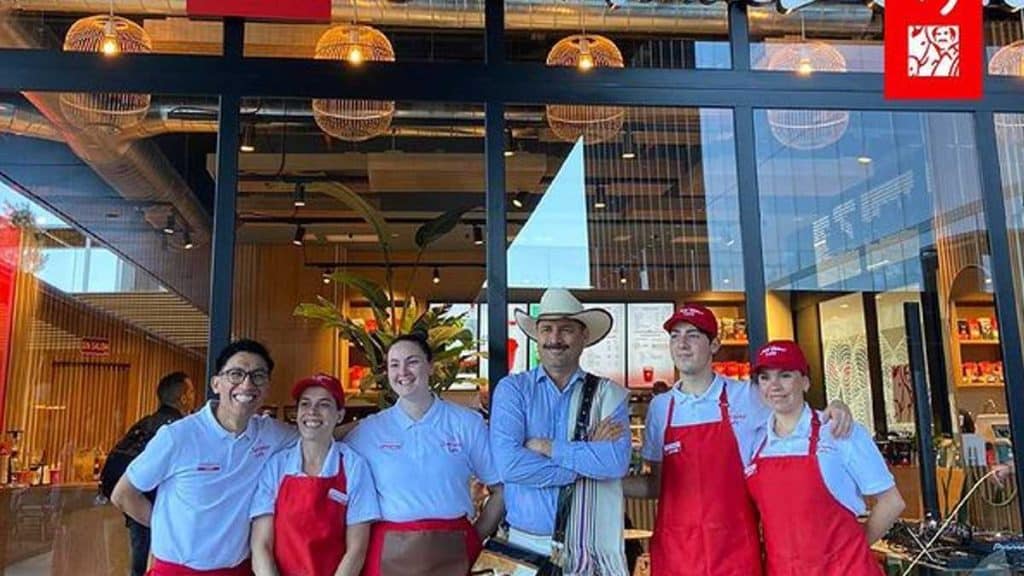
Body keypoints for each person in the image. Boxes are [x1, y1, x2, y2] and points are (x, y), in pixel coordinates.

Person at [624, 304, 854, 576]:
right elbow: (659, 484)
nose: (682, 344)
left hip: (736, 552)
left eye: (693, 335)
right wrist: (602, 483)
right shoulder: (661, 408)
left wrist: (837, 406)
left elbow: (797, 414)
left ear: (715, 345)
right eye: (675, 336)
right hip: (677, 554)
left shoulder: (747, 395)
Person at [111, 339, 298, 576]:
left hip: (236, 570)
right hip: (176, 571)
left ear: (267, 387)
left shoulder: (270, 433)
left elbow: (321, 434)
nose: (247, 384)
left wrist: (360, 424)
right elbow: (124, 494)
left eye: (258, 375)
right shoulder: (178, 436)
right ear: (216, 384)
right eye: (236, 374)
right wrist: (164, 528)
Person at [490, 287, 632, 575]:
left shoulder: (609, 395)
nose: (554, 339)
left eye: (566, 330)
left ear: (584, 337)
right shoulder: (513, 389)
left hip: (589, 550)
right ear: (537, 336)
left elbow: (615, 463)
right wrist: (583, 464)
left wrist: (549, 447)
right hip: (522, 548)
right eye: (547, 329)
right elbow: (510, 466)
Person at [345, 332, 505, 576]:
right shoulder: (369, 430)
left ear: (430, 367)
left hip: (454, 550)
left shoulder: (466, 423)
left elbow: (500, 489)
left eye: (413, 361)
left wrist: (474, 538)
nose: (403, 372)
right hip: (387, 552)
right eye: (394, 365)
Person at [746, 340, 905, 575]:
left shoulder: (838, 431)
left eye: (785, 375)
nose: (774, 386)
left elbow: (892, 502)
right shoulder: (755, 441)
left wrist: (852, 549)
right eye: (765, 378)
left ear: (806, 382)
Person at [250, 373, 379, 576]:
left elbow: (356, 550)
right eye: (305, 404)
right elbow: (261, 545)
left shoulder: (354, 466)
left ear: (339, 415)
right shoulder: (276, 465)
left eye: (324, 404)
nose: (312, 411)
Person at [101, 372, 194, 576]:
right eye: (192, 392)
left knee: (140, 564)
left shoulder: (144, 424)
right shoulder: (178, 431)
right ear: (184, 397)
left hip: (136, 508)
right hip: (155, 511)